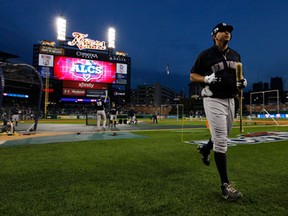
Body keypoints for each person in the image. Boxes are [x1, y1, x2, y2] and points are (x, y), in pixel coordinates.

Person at [190, 22, 247, 201]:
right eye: (223, 31)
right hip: (213, 99)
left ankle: (205, 149)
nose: (227, 33)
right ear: (215, 35)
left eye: (229, 31)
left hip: (231, 99)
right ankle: (225, 187)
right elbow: (192, 76)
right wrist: (206, 78)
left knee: (220, 136)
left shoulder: (235, 54)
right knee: (221, 141)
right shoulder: (206, 55)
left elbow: (238, 76)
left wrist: (242, 82)